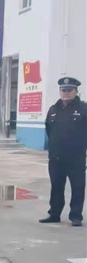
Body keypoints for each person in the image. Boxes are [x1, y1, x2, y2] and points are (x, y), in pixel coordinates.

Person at [40, 77, 87, 227]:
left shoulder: (83, 109)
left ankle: (76, 216)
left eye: (69, 90)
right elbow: (49, 130)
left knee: (77, 187)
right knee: (56, 186)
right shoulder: (53, 109)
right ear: (60, 91)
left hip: (76, 158)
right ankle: (54, 214)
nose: (66, 92)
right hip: (56, 157)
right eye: (63, 90)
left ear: (76, 91)